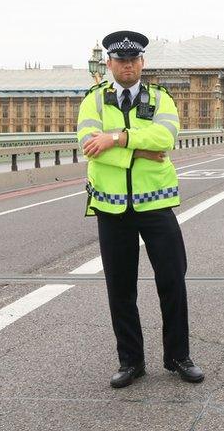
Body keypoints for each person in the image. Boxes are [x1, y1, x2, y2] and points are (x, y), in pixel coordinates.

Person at [77, 30, 204, 388]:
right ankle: (131, 361)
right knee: (120, 287)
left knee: (172, 281)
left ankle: (178, 356)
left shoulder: (161, 98)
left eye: (133, 60)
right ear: (109, 64)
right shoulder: (94, 102)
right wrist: (139, 151)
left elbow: (165, 139)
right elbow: (88, 144)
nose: (127, 66)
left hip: (156, 204)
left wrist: (116, 139)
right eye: (120, 61)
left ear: (142, 63)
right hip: (111, 206)